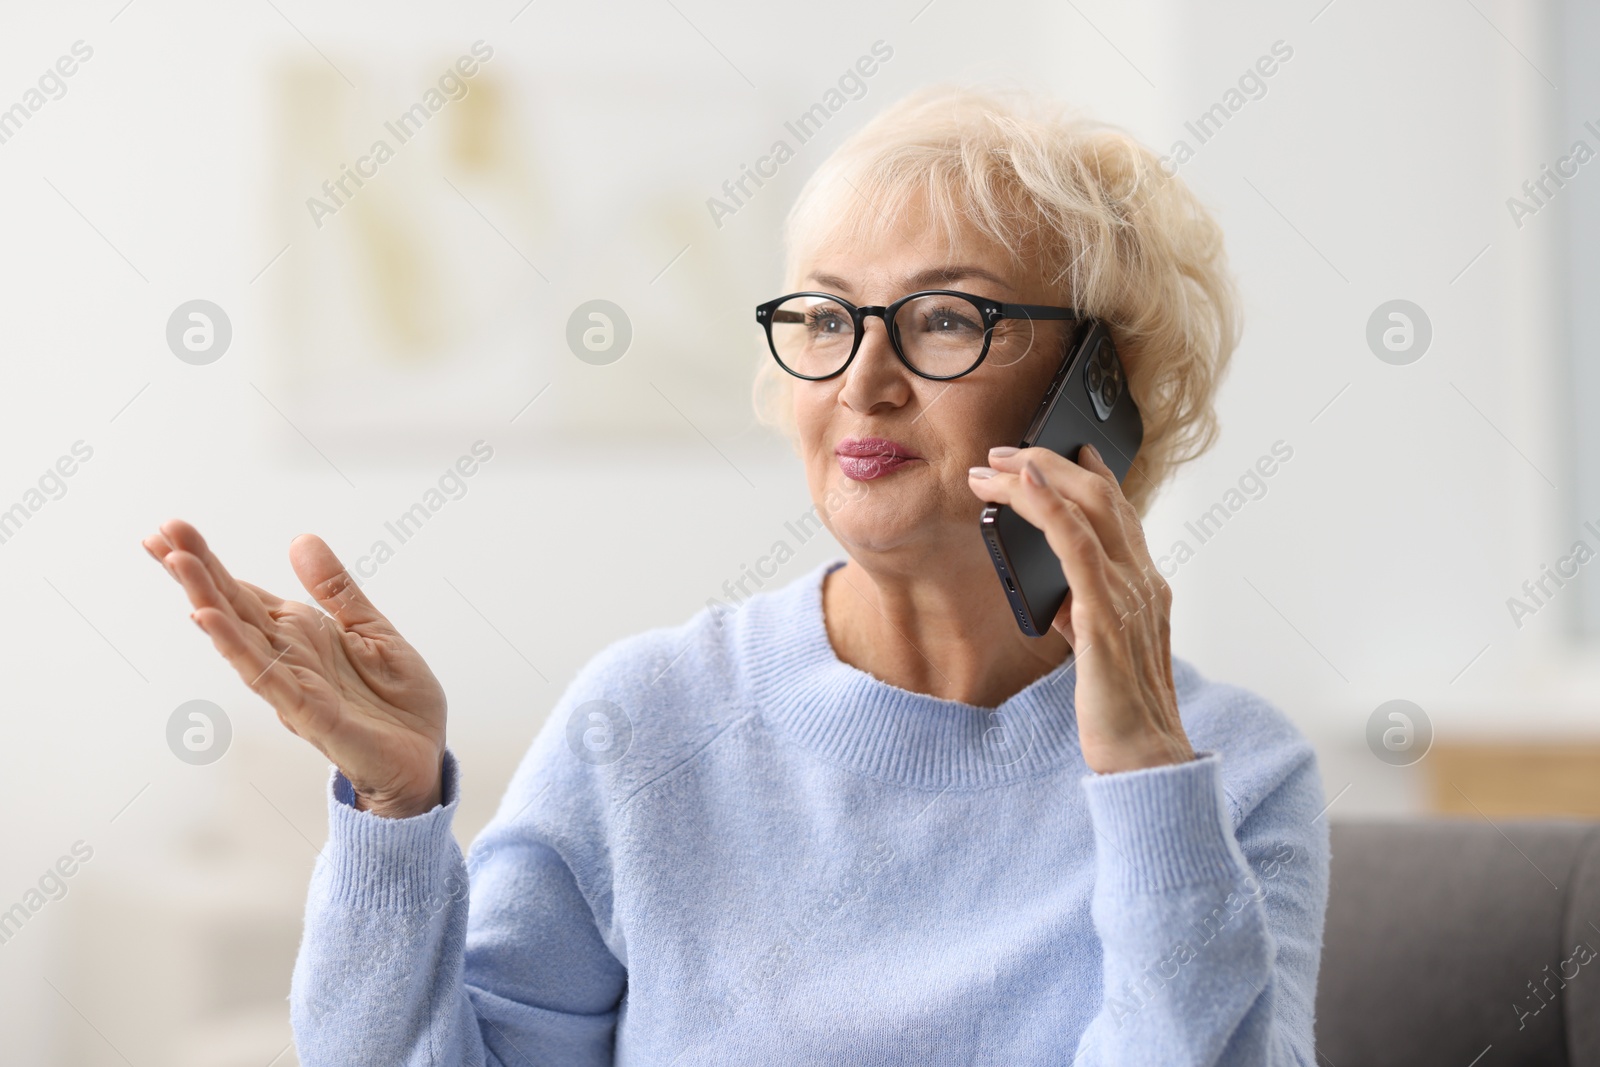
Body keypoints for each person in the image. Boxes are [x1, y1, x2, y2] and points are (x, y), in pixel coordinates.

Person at [144, 83, 1329, 1065]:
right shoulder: (644, 717)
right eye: (824, 316)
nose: (862, 378)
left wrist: (1139, 776)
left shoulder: (1232, 776)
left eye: (944, 318)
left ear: (1096, 393)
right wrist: (400, 814)